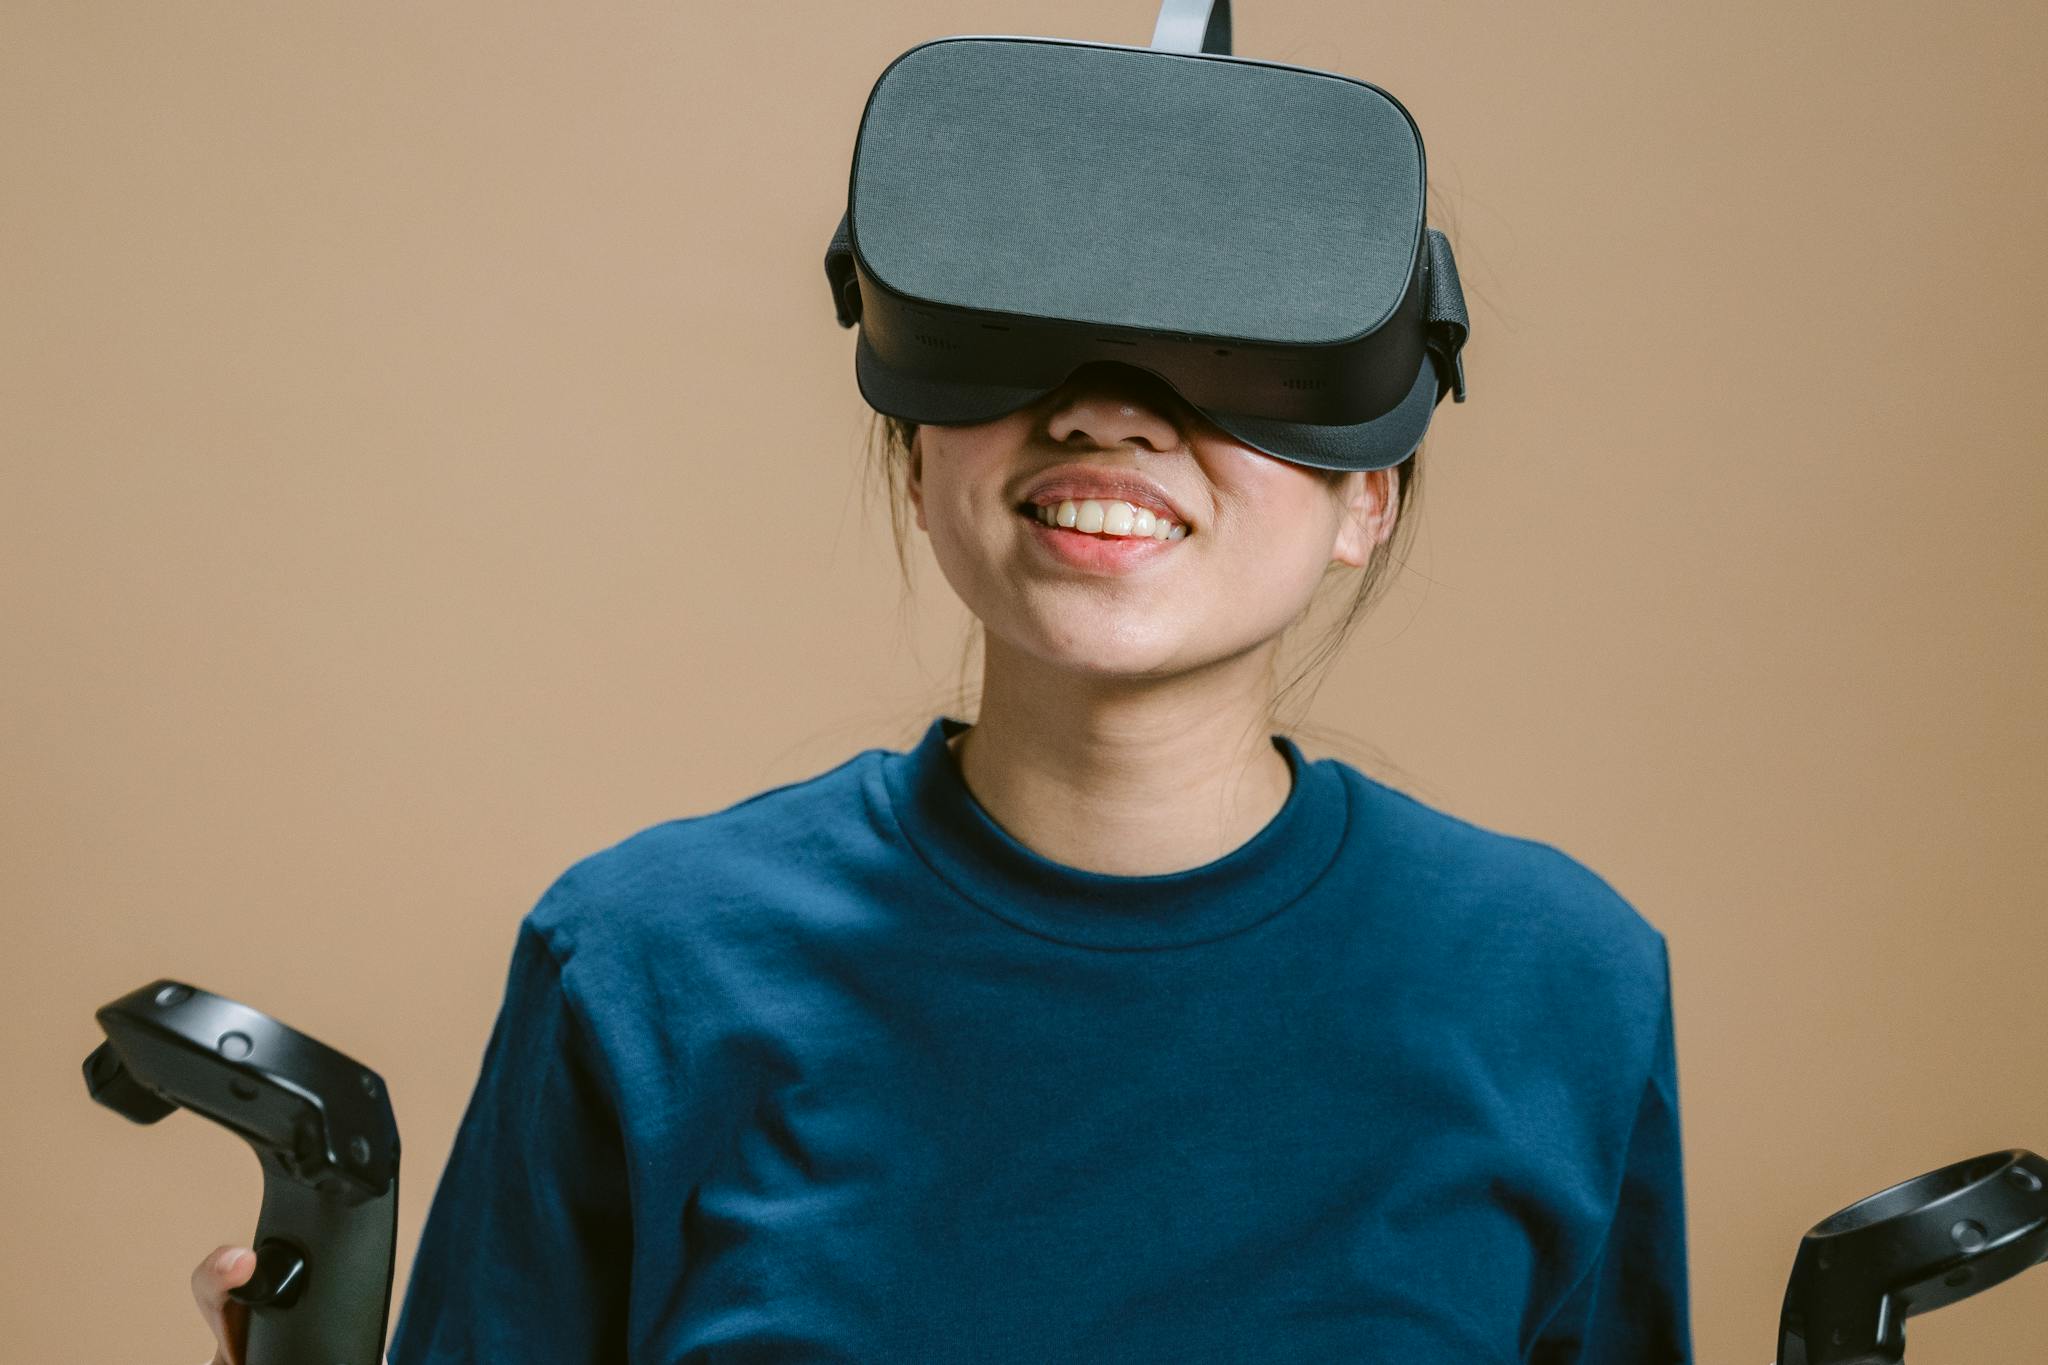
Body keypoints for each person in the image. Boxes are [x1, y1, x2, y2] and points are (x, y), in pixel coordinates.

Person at [187, 354, 1694, 1363]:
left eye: (1229, 349)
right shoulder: (645, 960)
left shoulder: (1561, 979)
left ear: (1370, 491)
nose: (1110, 414)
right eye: (1025, 334)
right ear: (917, 451)